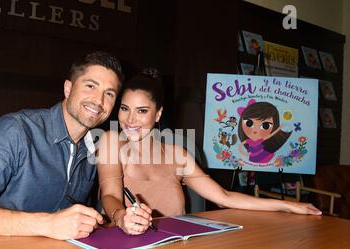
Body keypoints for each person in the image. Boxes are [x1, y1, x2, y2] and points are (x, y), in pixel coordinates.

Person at [97, 68, 322, 236]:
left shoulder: (178, 155)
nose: (130, 119)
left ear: (158, 115)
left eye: (142, 111)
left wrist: (288, 205)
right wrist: (121, 217)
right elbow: (110, 195)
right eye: (124, 109)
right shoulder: (112, 142)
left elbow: (223, 197)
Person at [0, 51, 123, 240]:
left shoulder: (96, 145)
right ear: (68, 88)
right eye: (90, 86)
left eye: (109, 94)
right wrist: (48, 224)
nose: (99, 100)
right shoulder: (16, 130)